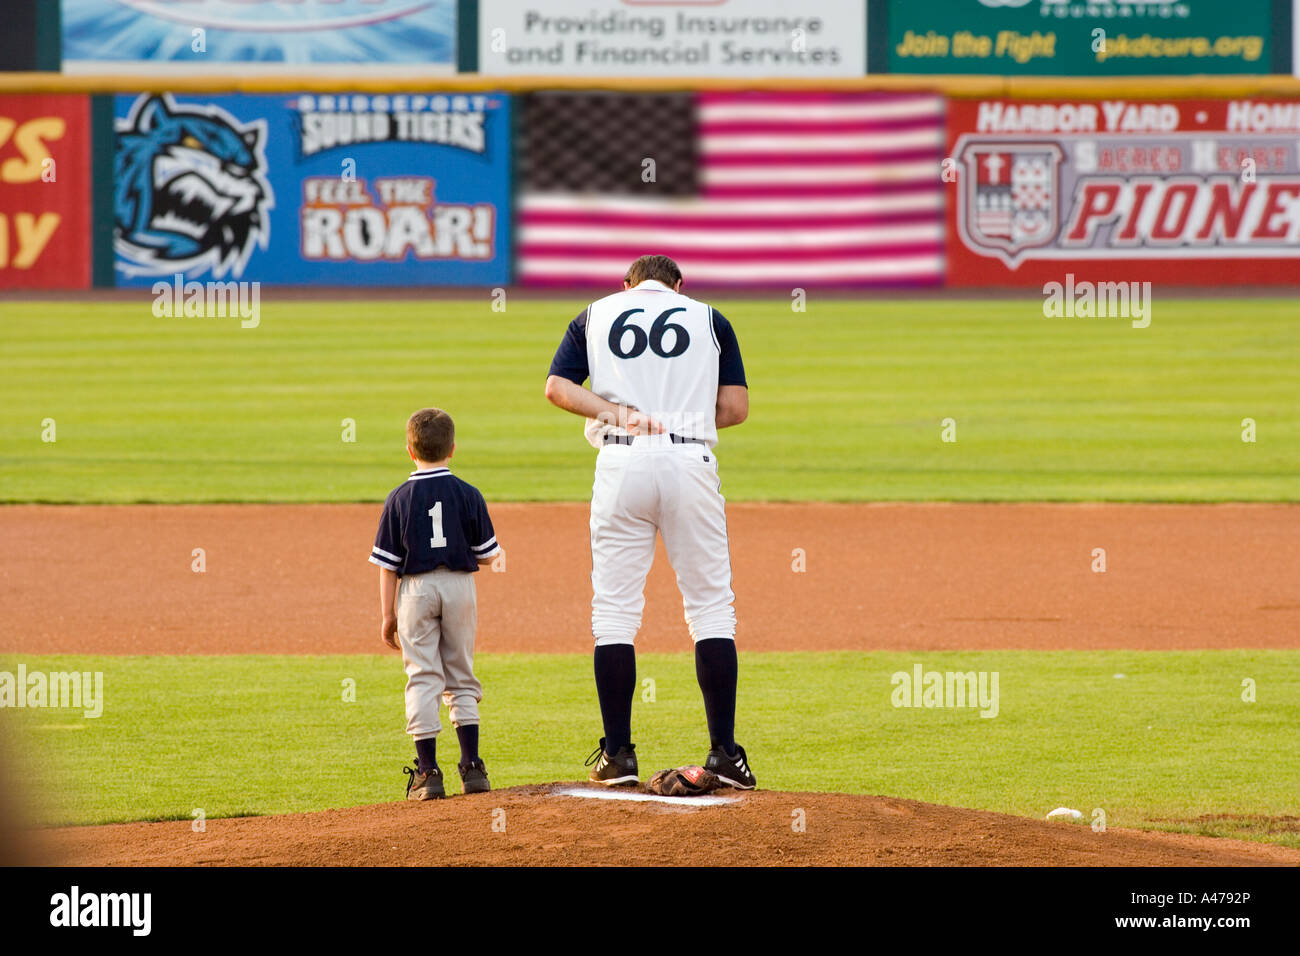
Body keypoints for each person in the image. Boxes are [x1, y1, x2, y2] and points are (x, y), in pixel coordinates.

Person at [543, 254, 755, 790]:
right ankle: (724, 754)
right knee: (710, 608)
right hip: (690, 461)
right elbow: (735, 408)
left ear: (627, 284)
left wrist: (617, 413)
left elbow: (557, 388)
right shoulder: (710, 318)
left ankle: (617, 756)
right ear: (679, 286)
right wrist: (686, 415)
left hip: (620, 463)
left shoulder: (594, 314)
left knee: (614, 613)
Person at [369, 408, 502, 799]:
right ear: (453, 449)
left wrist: (387, 615)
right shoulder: (468, 493)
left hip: (415, 590)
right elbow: (489, 555)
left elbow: (387, 566)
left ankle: (428, 773)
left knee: (423, 676)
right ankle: (472, 768)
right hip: (459, 587)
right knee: (461, 674)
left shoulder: (398, 498)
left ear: (410, 451)